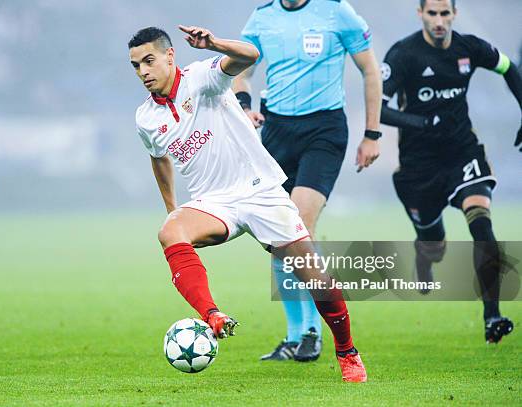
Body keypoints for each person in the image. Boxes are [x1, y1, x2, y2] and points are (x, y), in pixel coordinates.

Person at [129, 25, 367, 381]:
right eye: (136, 65)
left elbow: (249, 56)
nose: (143, 71)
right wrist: (172, 208)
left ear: (169, 56)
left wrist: (213, 44)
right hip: (214, 203)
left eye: (149, 61)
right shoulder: (146, 117)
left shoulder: (202, 77)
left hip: (261, 192)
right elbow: (158, 157)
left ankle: (347, 352)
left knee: (314, 276)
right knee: (170, 231)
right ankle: (212, 315)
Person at [232, 0, 382, 361]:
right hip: (276, 131)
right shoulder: (263, 16)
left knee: (298, 225)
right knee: (276, 235)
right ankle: (294, 334)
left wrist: (372, 133)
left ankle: (313, 332)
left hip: (324, 130)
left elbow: (370, 70)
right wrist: (243, 104)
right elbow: (241, 70)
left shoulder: (337, 11)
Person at [380, 0, 521, 343]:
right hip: (418, 166)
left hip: (462, 152)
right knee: (434, 244)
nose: (440, 21)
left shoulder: (469, 48)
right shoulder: (403, 55)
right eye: (433, 14)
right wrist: (424, 122)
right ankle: (425, 255)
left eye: (446, 14)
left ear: (454, 14)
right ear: (421, 15)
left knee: (482, 222)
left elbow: (509, 68)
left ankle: (492, 315)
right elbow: (379, 109)